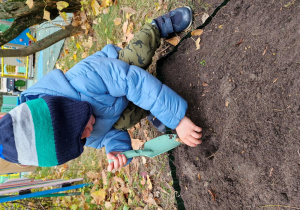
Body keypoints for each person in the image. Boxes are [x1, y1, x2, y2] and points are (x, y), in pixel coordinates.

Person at [0, 6, 202, 172]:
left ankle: (158, 27)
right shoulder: (81, 135)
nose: (87, 134)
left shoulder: (84, 80)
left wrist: (177, 119)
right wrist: (116, 150)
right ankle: (150, 108)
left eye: (82, 130)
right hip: (117, 104)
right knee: (124, 119)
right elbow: (110, 135)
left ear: (70, 114)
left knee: (138, 56)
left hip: (120, 72)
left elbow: (133, 82)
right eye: (82, 140)